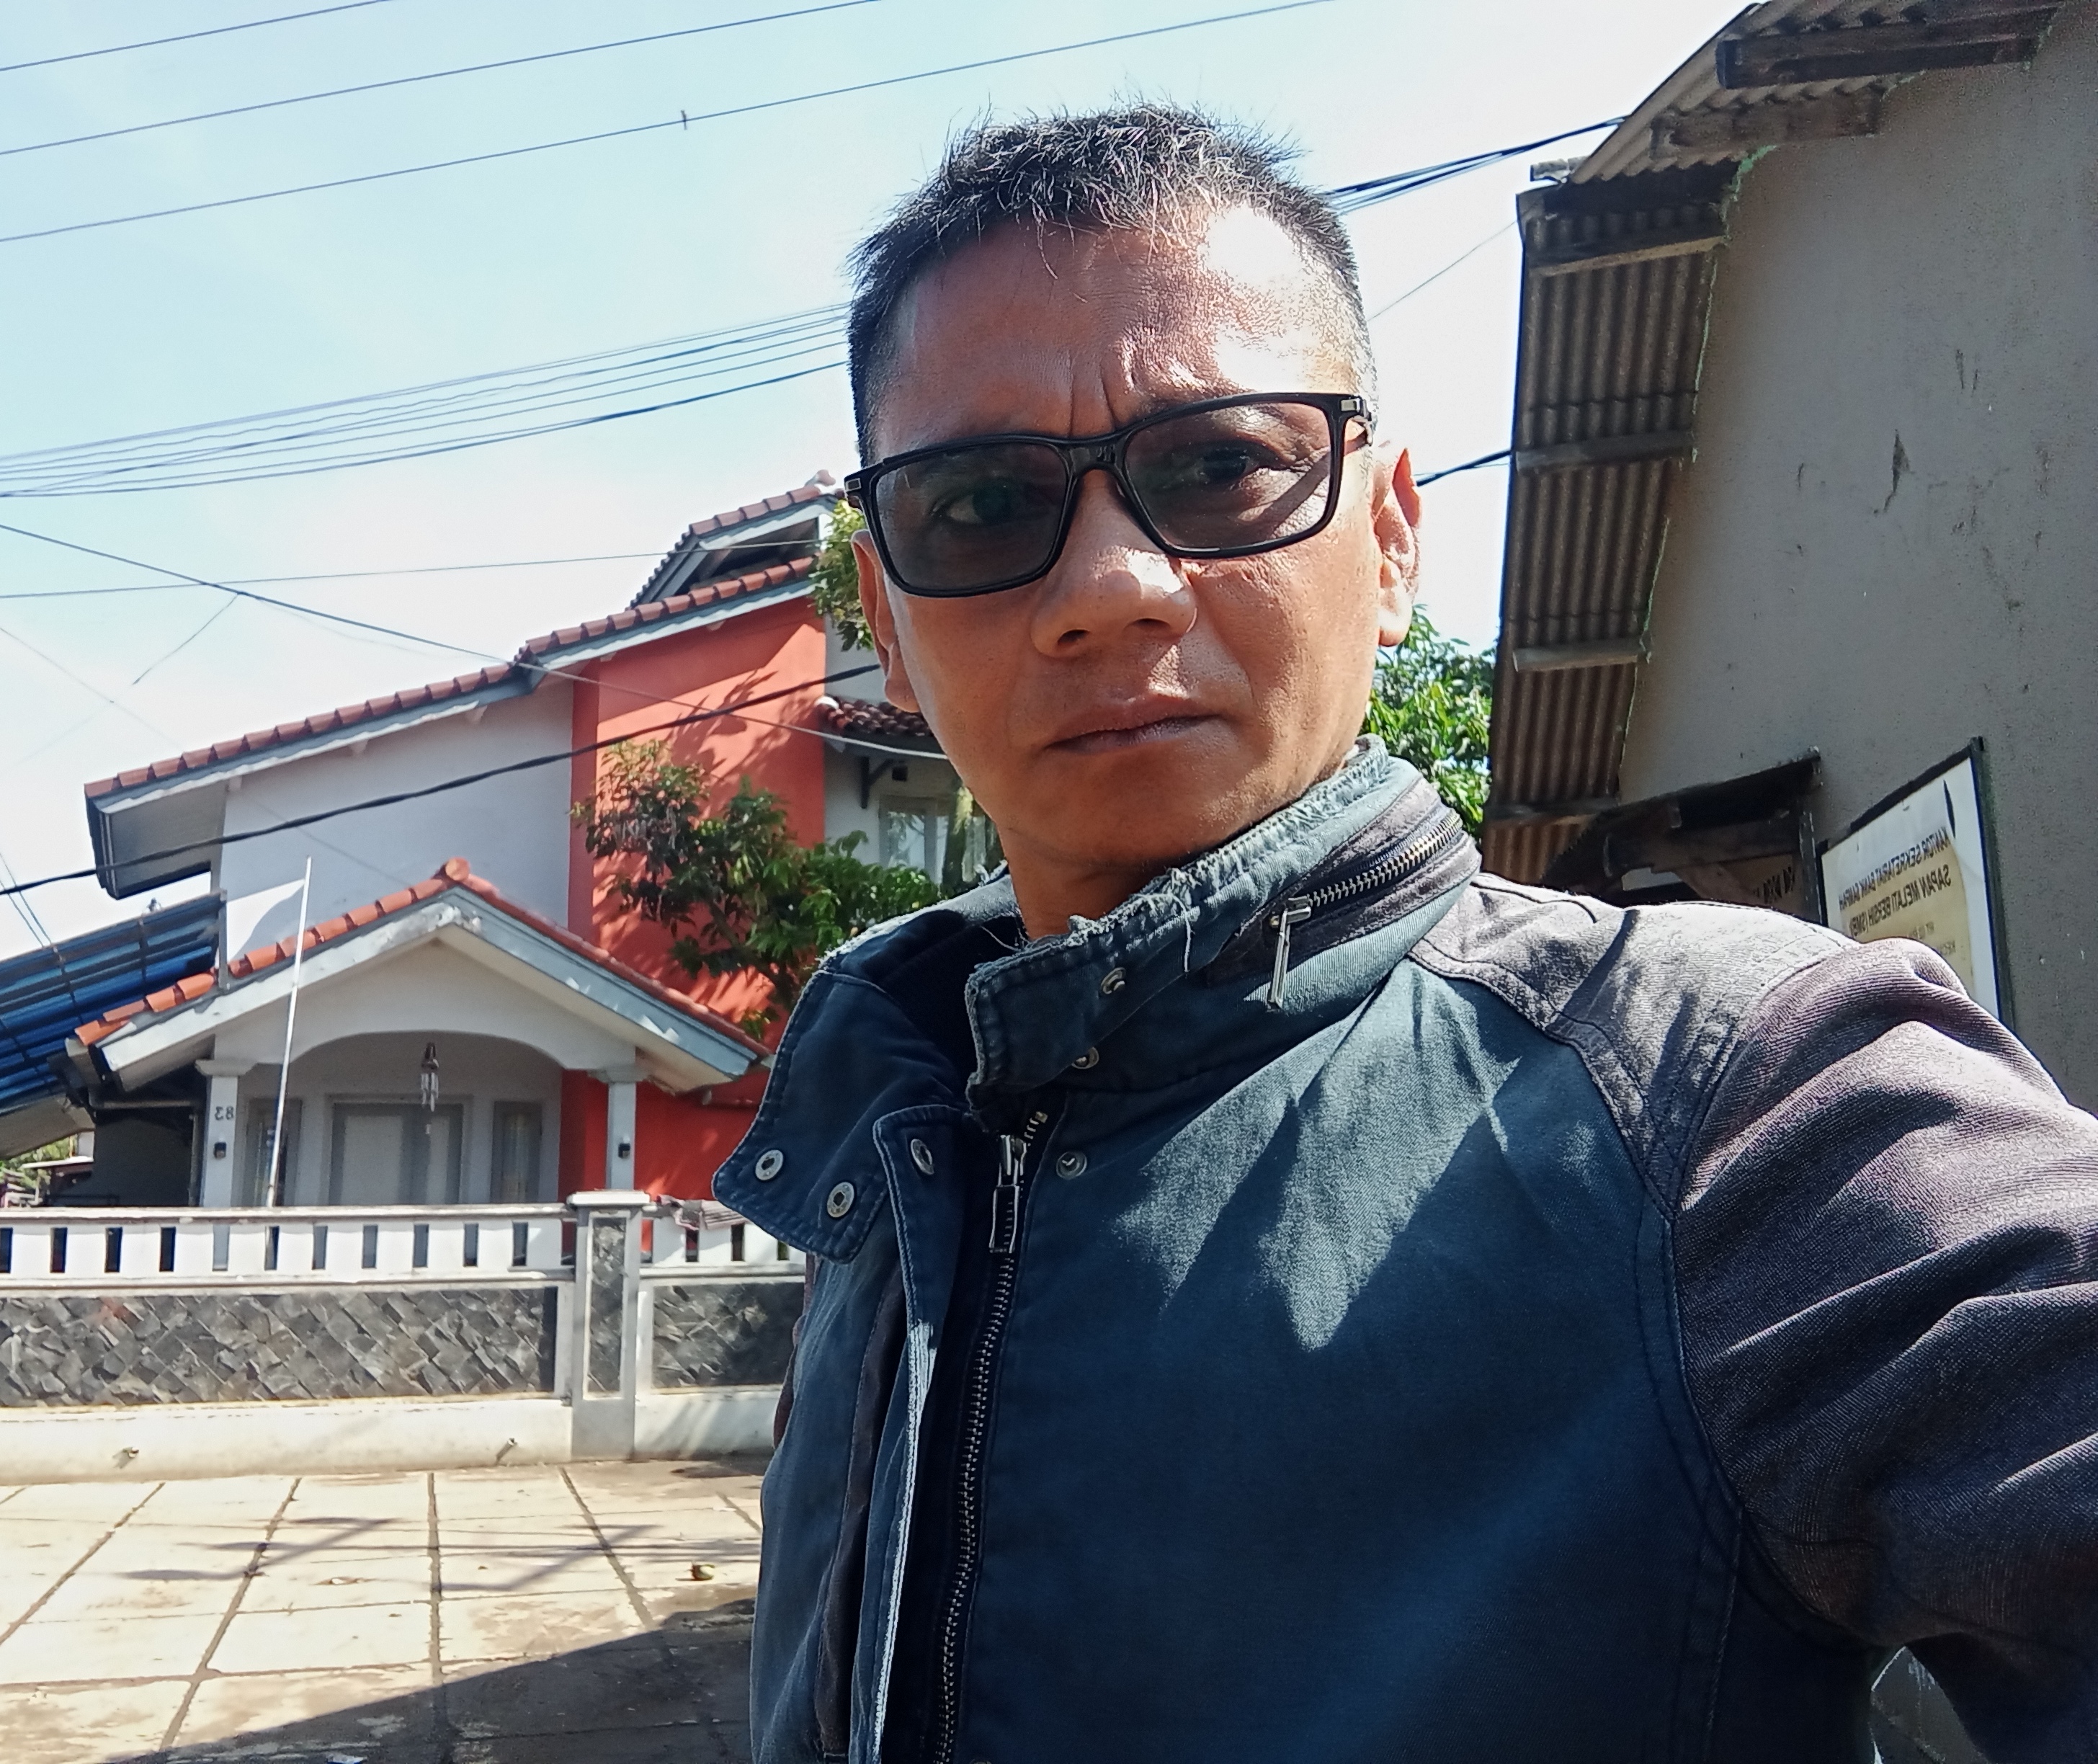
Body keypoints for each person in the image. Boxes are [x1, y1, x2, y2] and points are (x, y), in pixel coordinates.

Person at [715, 106, 2098, 1764]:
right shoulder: (897, 1132)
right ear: (888, 618)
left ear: (1388, 537)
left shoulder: (1732, 1092)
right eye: (980, 505)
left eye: (1219, 465)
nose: (1109, 585)